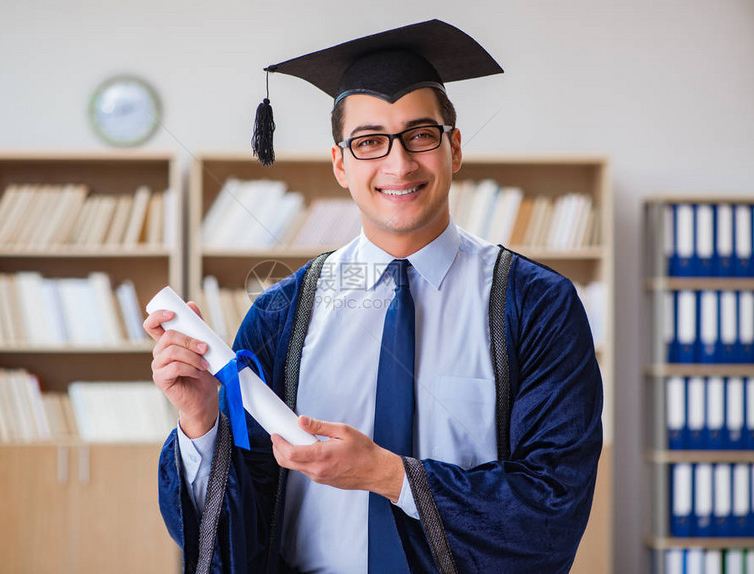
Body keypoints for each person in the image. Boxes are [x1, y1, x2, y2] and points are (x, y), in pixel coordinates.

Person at [145, 19, 602, 574]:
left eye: (421, 135)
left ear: (454, 148)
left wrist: (386, 474)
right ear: (341, 164)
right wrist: (200, 421)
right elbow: (231, 530)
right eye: (368, 142)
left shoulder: (535, 305)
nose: (399, 163)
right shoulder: (279, 316)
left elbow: (554, 505)